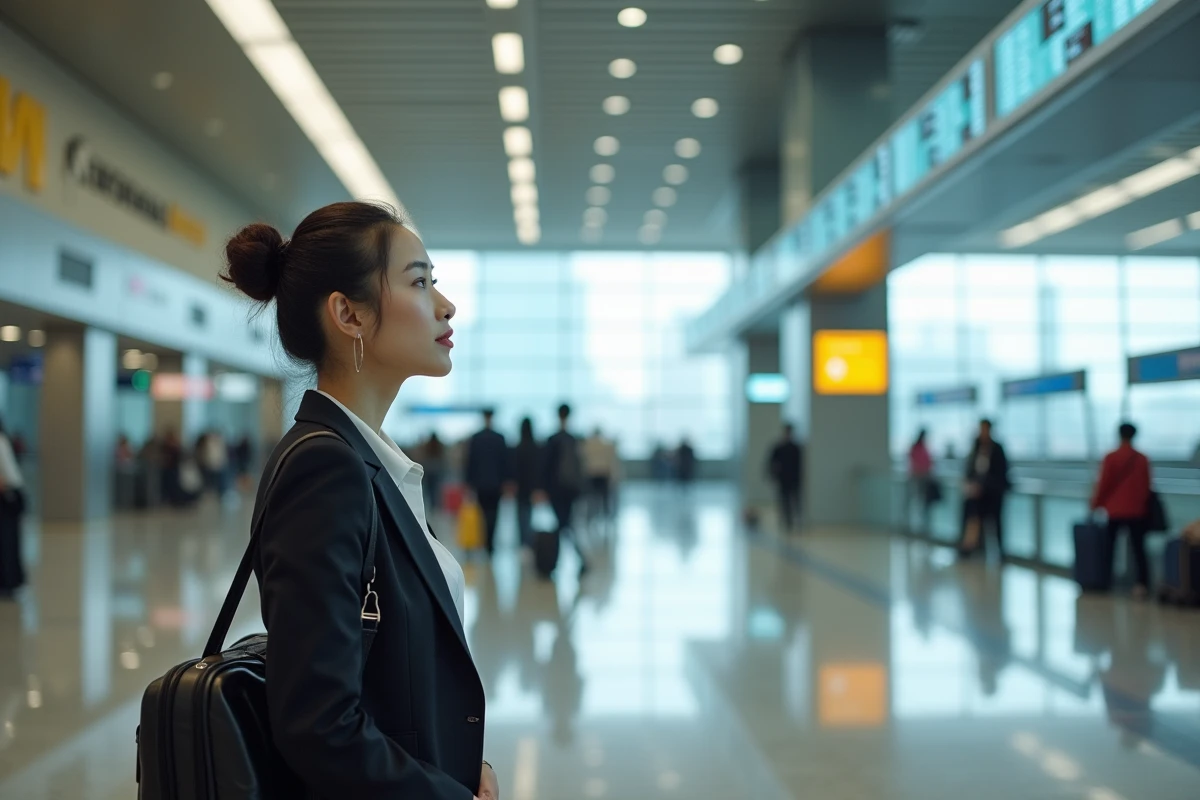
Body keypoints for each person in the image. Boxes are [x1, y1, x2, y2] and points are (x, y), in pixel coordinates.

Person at [222, 201, 497, 799]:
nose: (445, 305)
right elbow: (320, 726)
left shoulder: (365, 460)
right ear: (348, 313)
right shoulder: (327, 468)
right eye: (419, 282)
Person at [1091, 422, 1154, 598]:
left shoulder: (1111, 458)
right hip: (1136, 511)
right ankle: (1142, 584)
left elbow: (1103, 484)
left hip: (1115, 510)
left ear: (1119, 435)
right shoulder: (1142, 459)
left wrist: (1095, 504)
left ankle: (1105, 582)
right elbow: (1146, 486)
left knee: (1109, 548)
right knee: (1139, 549)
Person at [541, 403, 589, 576]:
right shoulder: (574, 439)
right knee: (565, 524)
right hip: (571, 490)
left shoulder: (553, 440)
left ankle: (560, 560)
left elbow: (546, 467)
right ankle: (572, 560)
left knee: (563, 525)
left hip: (556, 489)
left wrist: (543, 488)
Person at [961, 419, 1010, 560]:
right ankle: (972, 548)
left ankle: (1000, 553)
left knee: (996, 524)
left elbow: (1001, 472)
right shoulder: (975, 448)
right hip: (977, 494)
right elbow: (970, 469)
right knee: (973, 519)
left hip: (993, 494)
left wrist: (984, 485)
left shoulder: (997, 449)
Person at [465, 409, 509, 557]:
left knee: (482, 513)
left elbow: (471, 462)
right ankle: (490, 542)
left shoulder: (476, 438)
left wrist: (469, 482)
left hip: (480, 483)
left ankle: (483, 541)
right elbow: (505, 463)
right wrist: (506, 481)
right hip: (496, 483)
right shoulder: (500, 438)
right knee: (494, 514)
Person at [0, 416, 26, 599]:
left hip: (7, 494)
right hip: (11, 493)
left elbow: (5, 477)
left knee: (7, 540)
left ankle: (9, 580)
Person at [768, 424, 804, 534]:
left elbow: (800, 465)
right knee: (784, 502)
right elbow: (772, 463)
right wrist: (773, 476)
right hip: (783, 479)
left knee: (795, 501)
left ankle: (797, 521)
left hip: (794, 479)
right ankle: (788, 522)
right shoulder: (779, 447)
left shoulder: (795, 448)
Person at [510, 417, 541, 547]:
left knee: (521, 516)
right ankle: (529, 542)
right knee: (529, 516)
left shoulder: (518, 447)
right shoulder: (536, 447)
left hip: (520, 487)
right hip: (532, 487)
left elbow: (513, 469)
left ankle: (523, 543)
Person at [582, 427, 618, 525]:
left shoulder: (587, 445)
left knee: (592, 499)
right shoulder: (606, 445)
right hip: (603, 475)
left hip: (592, 474)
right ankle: (605, 517)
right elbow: (611, 462)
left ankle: (591, 517)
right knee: (604, 499)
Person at [908, 429, 936, 531]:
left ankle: (924, 526)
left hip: (924, 479)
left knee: (924, 505)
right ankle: (914, 527)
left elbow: (929, 463)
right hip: (917, 479)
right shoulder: (916, 448)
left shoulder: (924, 448)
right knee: (916, 503)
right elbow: (915, 463)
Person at [421, 432, 447, 513]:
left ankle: (430, 506)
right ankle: (435, 506)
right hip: (437, 470)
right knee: (435, 489)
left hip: (429, 469)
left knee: (428, 489)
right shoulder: (439, 445)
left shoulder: (428, 445)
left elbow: (424, 456)